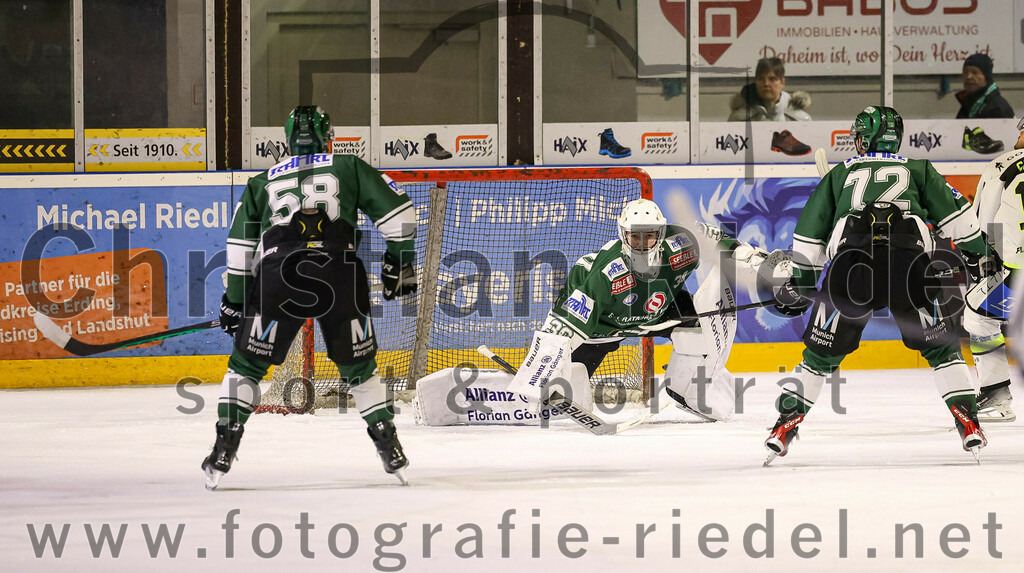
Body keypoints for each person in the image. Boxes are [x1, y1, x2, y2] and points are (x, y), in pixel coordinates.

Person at [202, 105, 419, 489]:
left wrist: (235, 301)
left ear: (287, 141)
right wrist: (398, 261)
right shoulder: (349, 165)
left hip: (279, 276)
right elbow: (399, 216)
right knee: (360, 370)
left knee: (246, 367)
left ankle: (223, 449)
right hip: (340, 273)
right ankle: (391, 449)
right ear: (329, 138)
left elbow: (239, 250)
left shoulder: (261, 182)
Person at [766, 106, 998, 464]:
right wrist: (977, 255)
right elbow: (962, 221)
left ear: (862, 139)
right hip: (910, 265)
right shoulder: (918, 169)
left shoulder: (839, 174)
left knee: (820, 356)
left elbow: (809, 240)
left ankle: (785, 425)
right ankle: (968, 422)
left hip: (851, 266)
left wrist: (804, 281)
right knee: (942, 351)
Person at [509, 198, 788, 422]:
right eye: (635, 237)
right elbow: (561, 330)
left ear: (661, 234)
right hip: (604, 327)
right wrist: (537, 378)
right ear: (623, 235)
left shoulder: (684, 242)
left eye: (649, 237)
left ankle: (690, 392)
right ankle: (560, 385)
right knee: (567, 388)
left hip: (663, 311)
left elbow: (727, 245)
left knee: (700, 330)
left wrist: (764, 268)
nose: (642, 244)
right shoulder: (602, 275)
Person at [961, 116, 1024, 423]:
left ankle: (996, 394)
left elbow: (984, 224)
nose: (1017, 139)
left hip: (1018, 276)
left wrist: (989, 258)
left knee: (978, 317)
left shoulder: (1004, 165)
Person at [956, 53, 1014, 120]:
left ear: (986, 77)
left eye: (974, 72)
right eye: (965, 72)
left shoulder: (997, 107)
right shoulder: (968, 102)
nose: (968, 77)